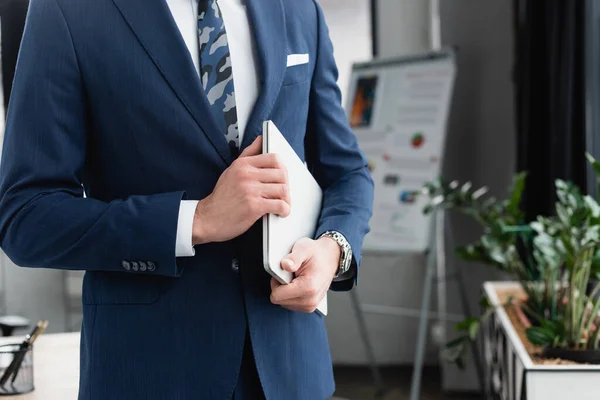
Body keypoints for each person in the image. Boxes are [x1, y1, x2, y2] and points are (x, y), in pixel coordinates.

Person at [0, 0, 374, 398]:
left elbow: (346, 172)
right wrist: (195, 220)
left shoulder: (300, 10)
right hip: (150, 371)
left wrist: (334, 249)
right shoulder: (68, 10)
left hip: (292, 372)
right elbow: (26, 216)